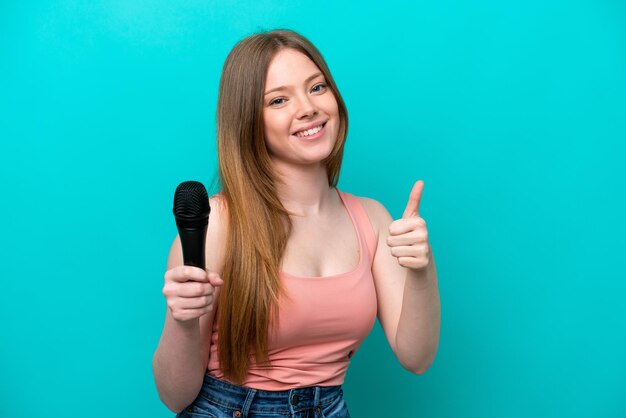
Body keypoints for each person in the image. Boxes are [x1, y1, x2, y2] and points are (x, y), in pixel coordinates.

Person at [152, 29, 440, 418]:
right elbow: (174, 396)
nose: (307, 108)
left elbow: (416, 357)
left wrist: (421, 267)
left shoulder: (371, 218)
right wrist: (183, 320)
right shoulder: (218, 224)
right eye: (279, 99)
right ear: (248, 121)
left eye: (317, 87)